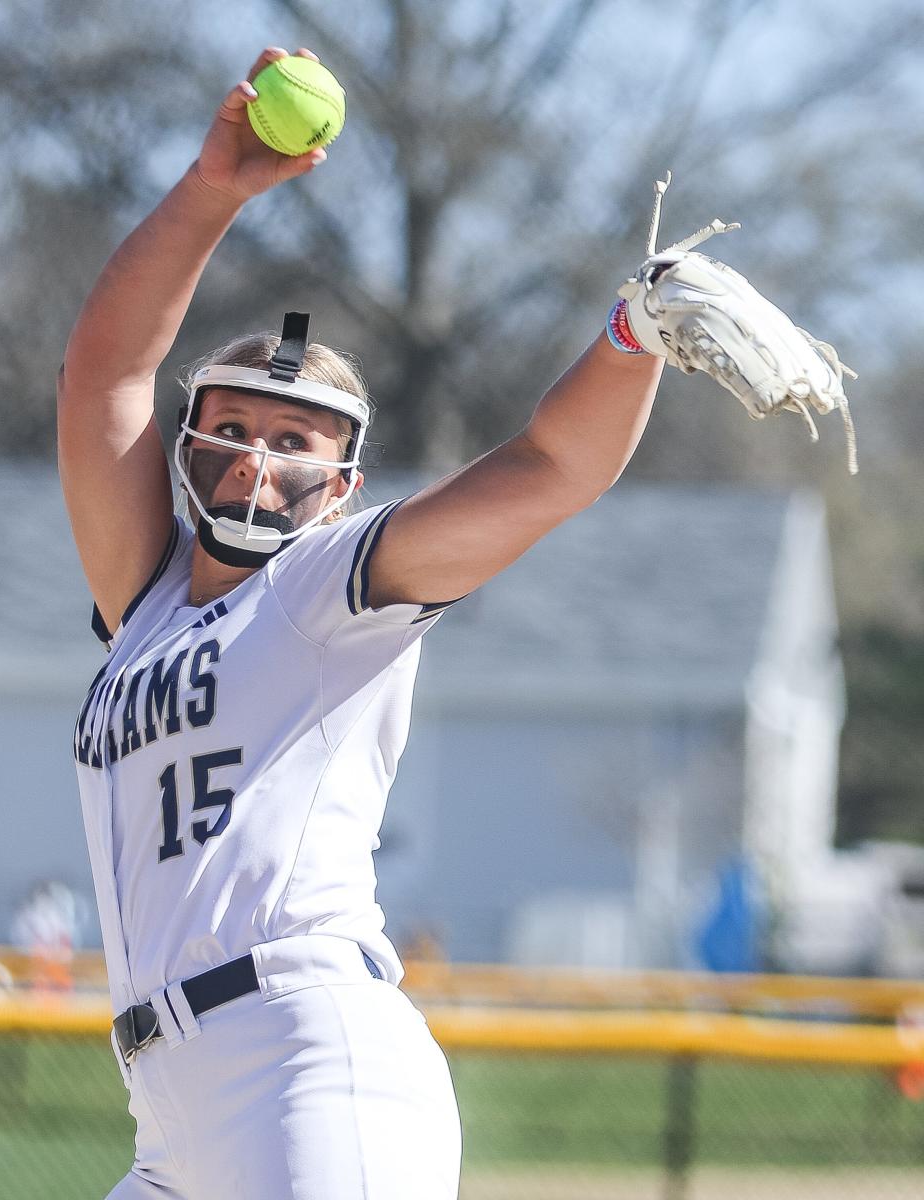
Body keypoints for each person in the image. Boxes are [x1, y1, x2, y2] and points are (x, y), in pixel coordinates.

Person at [59, 46, 663, 1200]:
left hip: (306, 1054)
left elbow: (548, 468)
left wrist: (631, 343)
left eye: (298, 441)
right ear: (188, 446)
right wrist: (211, 191)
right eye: (234, 423)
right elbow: (104, 378)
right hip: (164, 1105)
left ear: (342, 483)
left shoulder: (329, 582)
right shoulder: (141, 604)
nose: (260, 454)